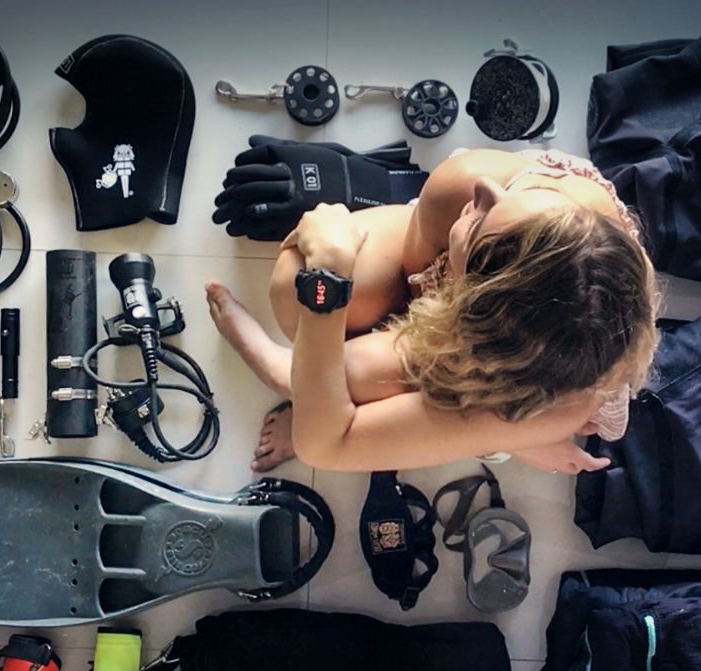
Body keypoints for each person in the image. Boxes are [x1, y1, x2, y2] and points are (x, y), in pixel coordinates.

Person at [206, 148, 660, 474]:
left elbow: (324, 448)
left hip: (516, 361)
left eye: (483, 223)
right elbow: (412, 271)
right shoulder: (469, 185)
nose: (485, 192)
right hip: (471, 301)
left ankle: (282, 373)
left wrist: (329, 274)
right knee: (292, 286)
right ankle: (486, 435)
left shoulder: (560, 400)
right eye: (508, 203)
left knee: (348, 372)